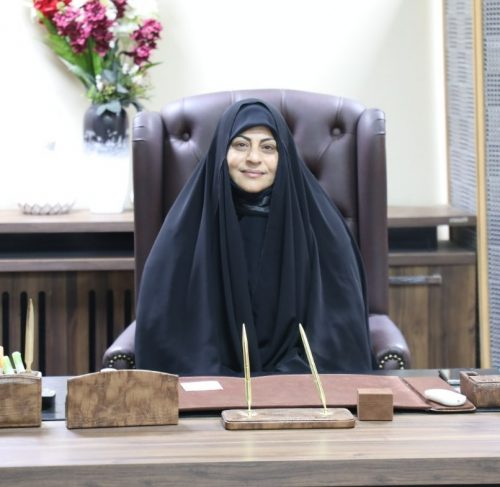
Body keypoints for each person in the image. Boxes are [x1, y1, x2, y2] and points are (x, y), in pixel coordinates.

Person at [135, 99, 375, 376]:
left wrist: (280, 385)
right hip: (210, 386)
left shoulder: (325, 233)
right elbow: (166, 339)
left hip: (301, 388)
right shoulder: (182, 233)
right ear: (221, 150)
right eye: (240, 145)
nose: (253, 158)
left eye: (268, 147)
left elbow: (338, 343)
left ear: (284, 155)